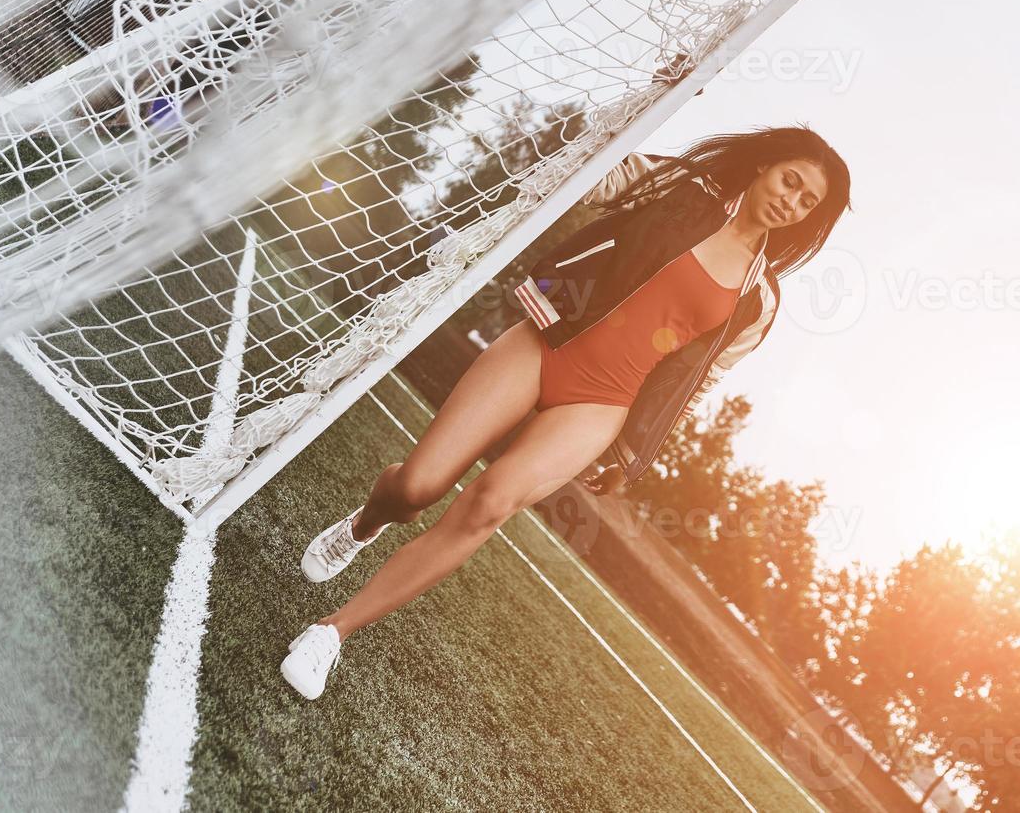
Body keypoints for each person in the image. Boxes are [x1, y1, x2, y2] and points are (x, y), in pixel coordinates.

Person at [281, 124, 852, 699]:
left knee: (488, 506)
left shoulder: (759, 301)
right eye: (791, 180)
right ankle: (365, 524)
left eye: (807, 202)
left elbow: (698, 380)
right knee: (417, 489)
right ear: (764, 166)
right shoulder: (683, 184)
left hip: (602, 403)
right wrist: (636, 114)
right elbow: (592, 179)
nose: (790, 201)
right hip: (546, 342)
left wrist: (634, 453)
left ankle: (331, 632)